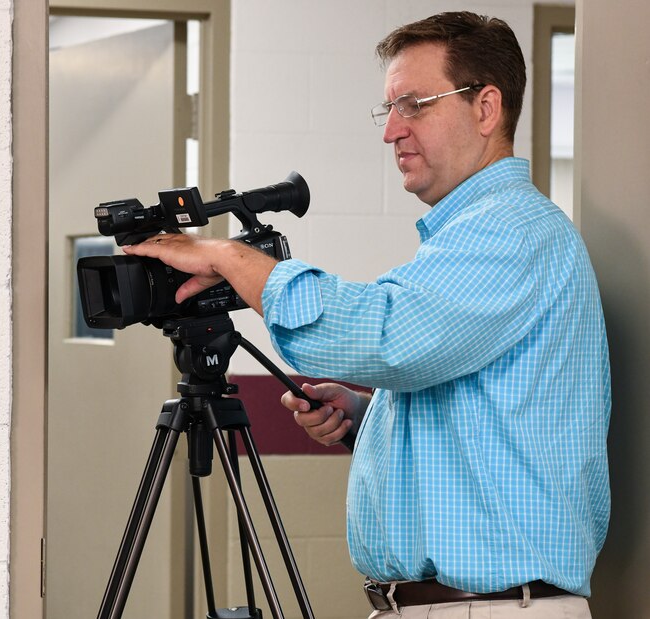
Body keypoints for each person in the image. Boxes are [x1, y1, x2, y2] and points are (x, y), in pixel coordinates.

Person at [123, 11, 611, 618]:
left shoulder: (512, 232)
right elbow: (462, 396)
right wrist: (366, 415)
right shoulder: (465, 240)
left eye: (414, 104)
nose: (391, 132)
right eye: (390, 110)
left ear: (486, 109)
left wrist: (229, 257)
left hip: (490, 609)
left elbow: (387, 338)